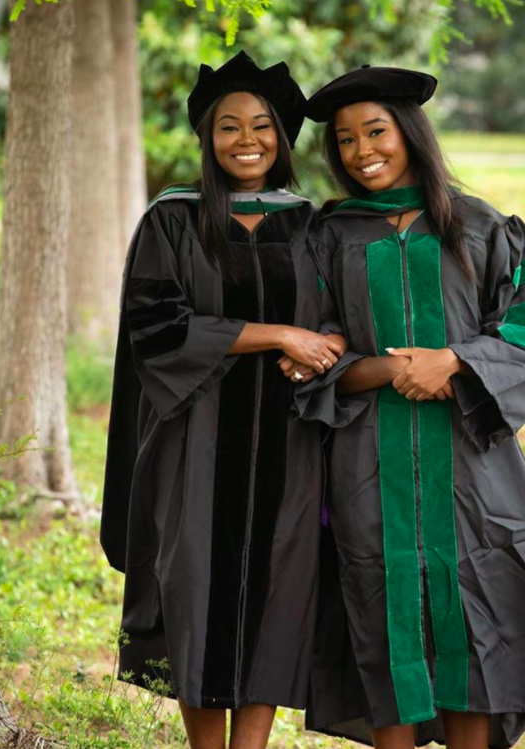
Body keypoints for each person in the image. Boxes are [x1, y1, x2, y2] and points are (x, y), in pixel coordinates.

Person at [293, 65, 525, 749]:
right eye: (346, 141)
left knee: (474, 617)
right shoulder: (328, 237)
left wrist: (454, 361)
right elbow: (309, 357)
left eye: (375, 132)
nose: (362, 152)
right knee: (383, 616)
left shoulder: (481, 227)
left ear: (409, 133)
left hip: (470, 469)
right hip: (365, 467)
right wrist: (386, 368)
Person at [100, 51, 345, 749]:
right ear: (206, 137)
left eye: (262, 126)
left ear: (283, 135)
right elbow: (155, 326)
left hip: (289, 442)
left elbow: (336, 318)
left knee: (277, 586)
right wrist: (279, 335)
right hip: (195, 437)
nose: (246, 139)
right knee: (196, 587)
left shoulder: (309, 224)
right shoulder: (172, 220)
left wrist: (320, 347)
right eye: (228, 125)